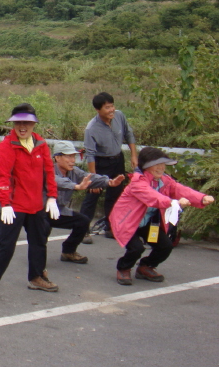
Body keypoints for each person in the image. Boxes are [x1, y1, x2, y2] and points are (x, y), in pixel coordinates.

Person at [0, 103, 59, 303]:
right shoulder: (5, 147)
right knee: (5, 245)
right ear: (13, 124)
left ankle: (36, 277)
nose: (23, 126)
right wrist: (4, 204)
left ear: (34, 124)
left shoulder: (40, 143)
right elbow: (3, 177)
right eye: (18, 122)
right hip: (13, 206)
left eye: (27, 123)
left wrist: (52, 197)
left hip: (36, 204)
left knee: (39, 241)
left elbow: (49, 171)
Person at [111, 147, 213, 286]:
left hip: (148, 222)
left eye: (163, 164)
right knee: (136, 248)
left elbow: (179, 189)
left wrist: (202, 198)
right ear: (146, 166)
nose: (161, 168)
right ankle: (124, 268)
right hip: (126, 221)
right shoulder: (137, 182)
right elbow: (154, 197)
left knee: (165, 245)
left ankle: (145, 267)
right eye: (156, 164)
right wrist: (173, 202)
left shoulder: (164, 180)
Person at [51, 141, 124, 264]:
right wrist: (76, 186)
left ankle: (68, 251)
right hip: (41, 211)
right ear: (57, 157)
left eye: (73, 156)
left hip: (60, 210)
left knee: (83, 221)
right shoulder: (48, 170)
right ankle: (37, 267)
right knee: (40, 235)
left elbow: (89, 177)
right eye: (68, 156)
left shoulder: (74, 171)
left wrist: (109, 182)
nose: (72, 160)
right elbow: (56, 181)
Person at [80, 92, 138, 238]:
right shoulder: (91, 129)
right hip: (100, 163)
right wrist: (93, 177)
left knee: (115, 194)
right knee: (93, 195)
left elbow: (129, 134)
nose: (111, 110)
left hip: (117, 160)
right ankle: (82, 230)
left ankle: (110, 227)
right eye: (107, 107)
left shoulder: (119, 116)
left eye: (112, 106)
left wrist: (133, 155)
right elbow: (90, 154)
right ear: (98, 110)